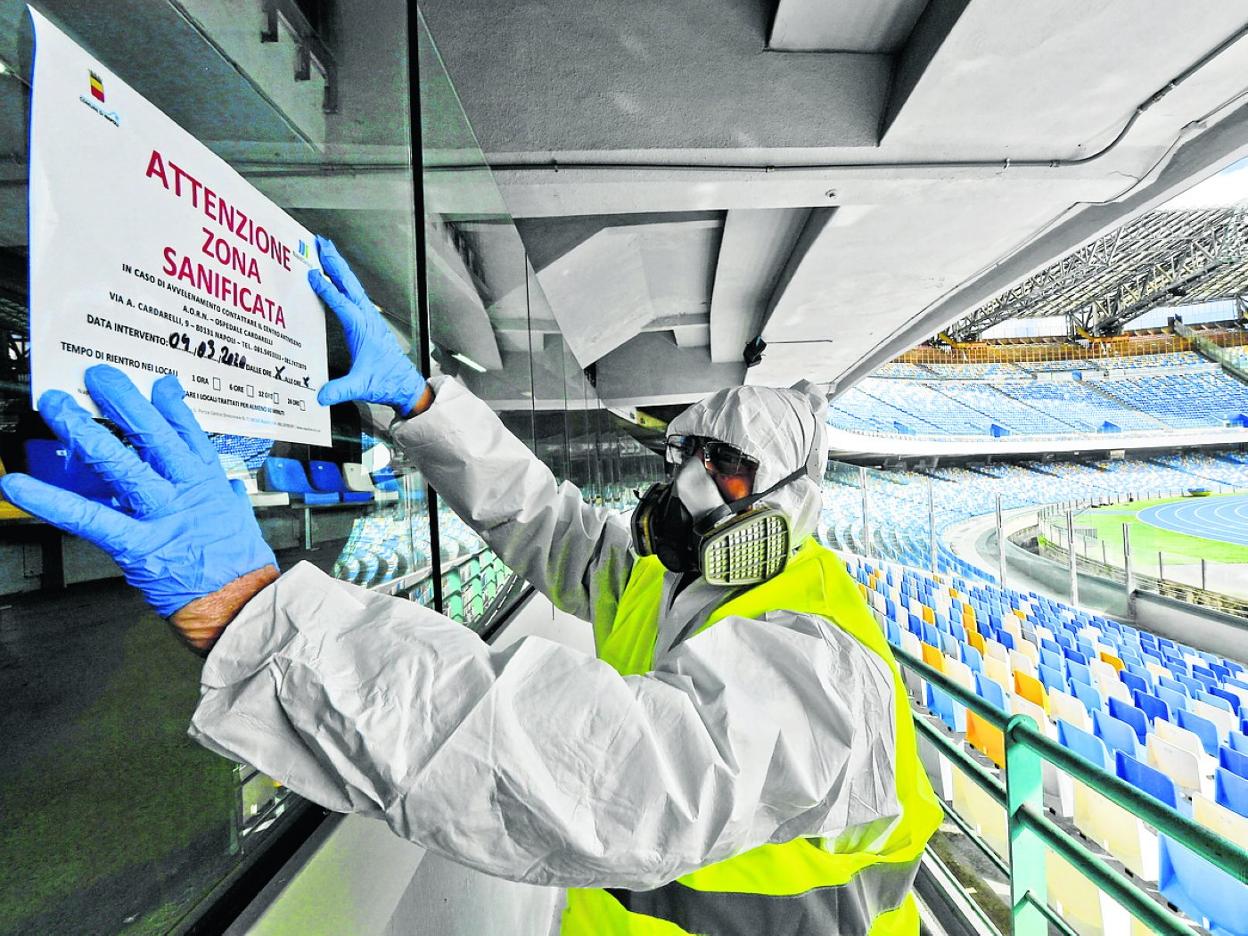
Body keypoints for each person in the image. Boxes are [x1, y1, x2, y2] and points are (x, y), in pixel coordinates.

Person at [0, 237, 941, 935]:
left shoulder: (828, 667)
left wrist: (269, 625)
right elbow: (553, 524)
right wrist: (420, 405)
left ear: (788, 502)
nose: (686, 485)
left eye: (725, 468)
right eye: (684, 452)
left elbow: (604, 773)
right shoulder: (678, 577)